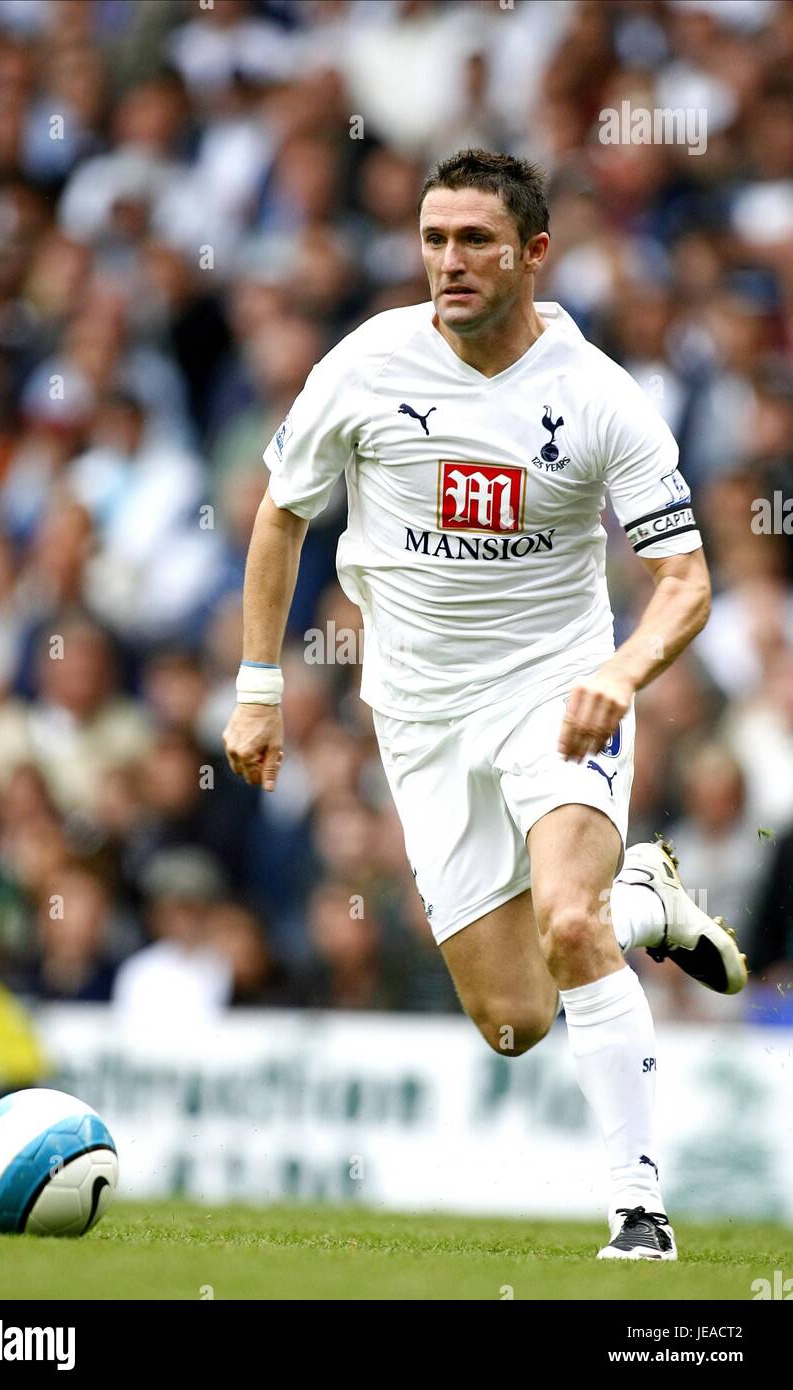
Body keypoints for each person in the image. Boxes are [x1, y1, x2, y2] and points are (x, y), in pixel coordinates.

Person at [223, 149, 747, 1262]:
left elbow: (686, 581)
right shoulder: (366, 364)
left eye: (472, 241)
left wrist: (619, 671)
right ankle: (641, 902)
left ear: (532, 253)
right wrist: (258, 687)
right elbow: (280, 516)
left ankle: (638, 1212)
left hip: (555, 693)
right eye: (431, 240)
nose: (447, 262)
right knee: (512, 1021)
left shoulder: (599, 395)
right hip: (416, 719)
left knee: (565, 919)